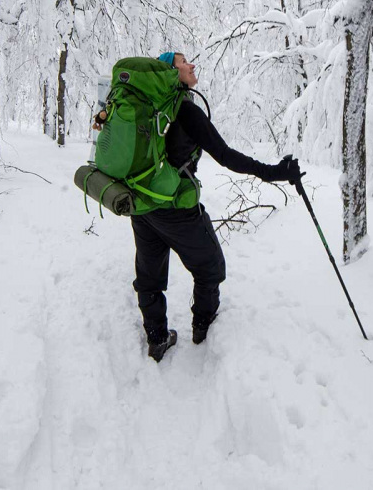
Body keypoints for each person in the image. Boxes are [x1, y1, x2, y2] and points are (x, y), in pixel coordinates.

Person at [98, 51, 302, 362]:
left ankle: (157, 338)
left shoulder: (143, 111)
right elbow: (227, 156)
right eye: (182, 62)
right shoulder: (185, 111)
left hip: (140, 203)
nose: (191, 64)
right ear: (170, 72)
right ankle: (204, 329)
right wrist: (277, 172)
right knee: (210, 268)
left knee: (149, 277)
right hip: (177, 209)